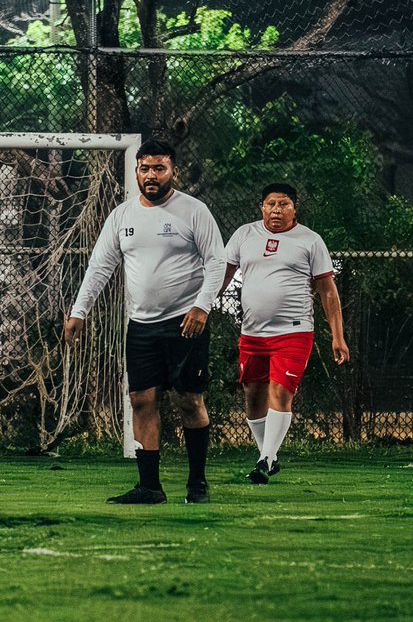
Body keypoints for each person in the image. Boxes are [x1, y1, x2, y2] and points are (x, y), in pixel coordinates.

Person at [63, 139, 225, 505]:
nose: (151, 176)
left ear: (173, 172)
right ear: (136, 171)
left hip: (186, 322)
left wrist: (202, 307)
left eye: (159, 168)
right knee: (141, 400)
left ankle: (197, 482)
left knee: (188, 400)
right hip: (141, 326)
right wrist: (78, 311)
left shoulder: (194, 211)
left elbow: (216, 262)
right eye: (145, 169)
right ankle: (150, 487)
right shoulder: (122, 216)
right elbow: (100, 266)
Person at [220, 183, 349, 484]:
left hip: (293, 332)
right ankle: (269, 455)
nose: (276, 210)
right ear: (261, 207)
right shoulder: (244, 235)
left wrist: (337, 336)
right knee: (253, 395)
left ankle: (265, 460)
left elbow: (328, 292)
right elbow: (222, 276)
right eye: (271, 204)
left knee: (280, 392)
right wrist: (200, 309)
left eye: (283, 204)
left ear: (295, 208)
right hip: (252, 333)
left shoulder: (310, 241)